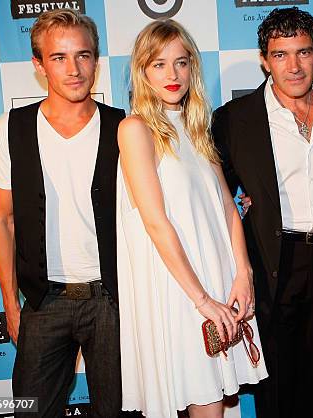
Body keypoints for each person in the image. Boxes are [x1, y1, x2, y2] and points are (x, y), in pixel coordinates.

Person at [116, 19, 267, 418]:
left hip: (215, 283)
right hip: (178, 290)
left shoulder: (197, 127)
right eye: (159, 64)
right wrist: (201, 299)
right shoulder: (135, 129)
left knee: (210, 404)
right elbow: (154, 221)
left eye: (181, 63)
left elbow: (226, 208)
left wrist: (243, 272)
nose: (172, 74)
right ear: (142, 71)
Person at [212, 7, 313, 417]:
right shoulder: (236, 120)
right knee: (273, 382)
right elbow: (216, 195)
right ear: (264, 60)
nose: (293, 66)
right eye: (280, 55)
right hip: (273, 258)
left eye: (303, 53)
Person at [0, 9, 124, 418]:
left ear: (96, 61)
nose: (74, 69)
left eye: (83, 56)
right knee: (30, 409)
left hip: (113, 301)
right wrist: (12, 306)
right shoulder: (9, 128)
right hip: (44, 301)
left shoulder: (124, 128)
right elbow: (2, 218)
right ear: (38, 65)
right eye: (59, 57)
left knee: (119, 412)